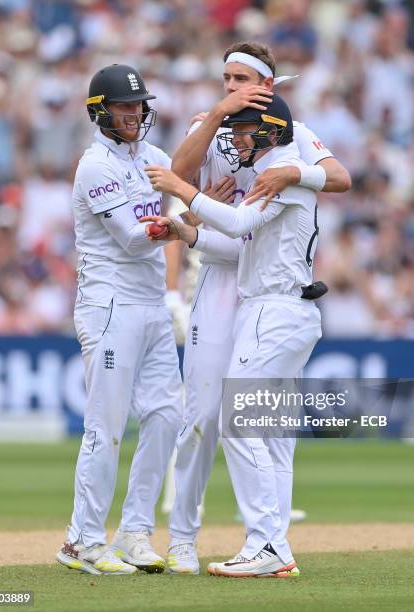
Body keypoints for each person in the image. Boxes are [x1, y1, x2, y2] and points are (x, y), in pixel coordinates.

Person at [164, 41, 351, 575]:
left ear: (268, 89)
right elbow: (187, 174)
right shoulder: (218, 125)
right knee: (205, 413)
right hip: (234, 272)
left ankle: (268, 542)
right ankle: (185, 538)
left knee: (259, 421)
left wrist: (293, 174)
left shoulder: (288, 139)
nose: (230, 88)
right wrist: (190, 227)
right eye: (225, 78)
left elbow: (340, 178)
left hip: (264, 284)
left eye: (240, 78)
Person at [143, 93, 323, 577]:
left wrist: (182, 188)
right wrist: (189, 233)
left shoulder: (281, 169)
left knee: (238, 421)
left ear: (269, 131)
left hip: (276, 309)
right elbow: (242, 242)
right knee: (249, 424)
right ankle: (269, 544)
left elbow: (241, 220)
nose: (237, 141)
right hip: (271, 308)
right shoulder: (278, 169)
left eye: (245, 132)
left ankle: (269, 545)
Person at [55, 64, 184, 576]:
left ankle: (134, 532)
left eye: (139, 105)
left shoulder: (153, 158)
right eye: (124, 106)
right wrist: (188, 220)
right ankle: (82, 541)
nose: (135, 114)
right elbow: (133, 239)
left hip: (151, 305)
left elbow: (188, 182)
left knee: (167, 416)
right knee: (105, 426)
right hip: (109, 307)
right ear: (99, 112)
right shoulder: (95, 166)